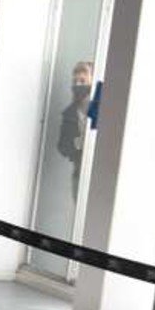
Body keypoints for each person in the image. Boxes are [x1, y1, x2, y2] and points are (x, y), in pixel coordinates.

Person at [57, 60, 95, 208]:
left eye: (83, 81)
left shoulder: (102, 109)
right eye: (75, 81)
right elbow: (62, 146)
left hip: (99, 175)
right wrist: (76, 144)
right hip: (79, 174)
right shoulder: (69, 113)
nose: (78, 85)